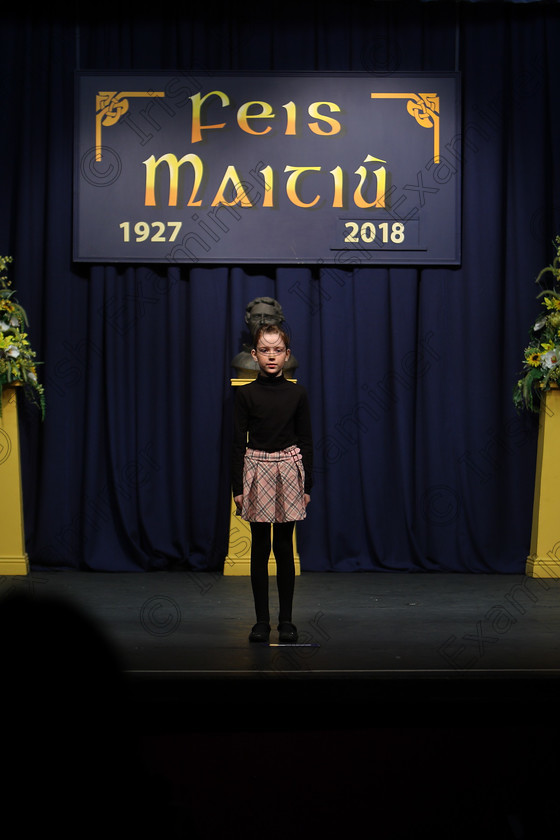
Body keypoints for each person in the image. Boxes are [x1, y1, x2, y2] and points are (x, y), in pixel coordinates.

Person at [231, 322, 313, 644]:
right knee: (260, 549)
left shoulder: (297, 393)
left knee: (283, 549)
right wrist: (237, 487)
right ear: (254, 355)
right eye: (264, 350)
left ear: (287, 354)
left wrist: (308, 486)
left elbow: (306, 440)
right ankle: (261, 622)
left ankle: (287, 621)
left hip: (289, 469)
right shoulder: (247, 394)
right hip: (257, 469)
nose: (271, 356)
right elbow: (237, 442)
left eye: (277, 350)